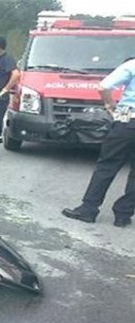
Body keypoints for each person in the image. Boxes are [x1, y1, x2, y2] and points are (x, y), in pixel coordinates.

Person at [62, 58, 135, 228]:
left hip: (127, 122)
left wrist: (110, 104)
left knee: (107, 165)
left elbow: (103, 86)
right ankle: (123, 214)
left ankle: (89, 209)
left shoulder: (131, 65)